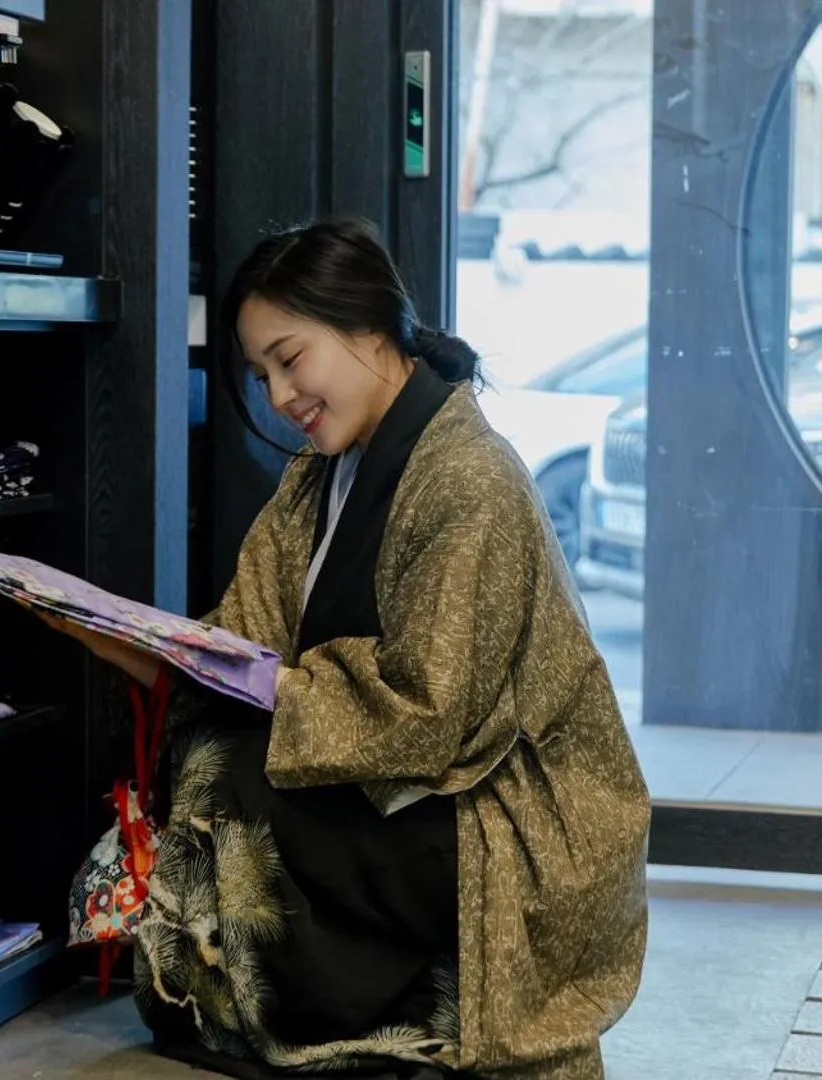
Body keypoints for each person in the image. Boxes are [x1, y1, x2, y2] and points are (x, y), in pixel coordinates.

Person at [46, 217, 650, 1079]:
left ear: (369, 324)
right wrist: (140, 647)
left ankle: (363, 1000)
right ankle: (312, 997)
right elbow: (242, 638)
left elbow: (429, 717)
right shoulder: (323, 472)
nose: (279, 394)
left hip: (507, 817)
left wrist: (264, 687)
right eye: (261, 375)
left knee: (233, 767)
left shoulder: (468, 476)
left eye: (290, 358)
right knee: (217, 748)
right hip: (420, 789)